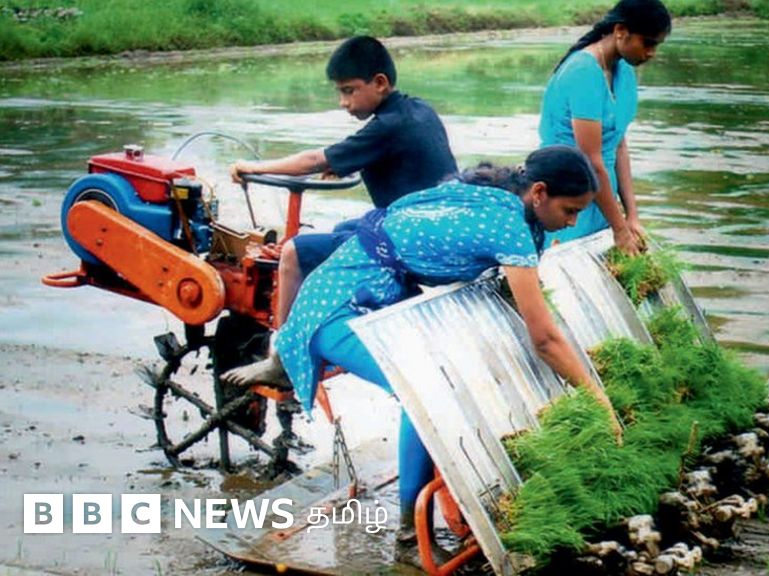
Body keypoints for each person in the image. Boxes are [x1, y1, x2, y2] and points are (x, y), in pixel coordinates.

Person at [223, 145, 622, 566]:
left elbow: (531, 311)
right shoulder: (508, 226)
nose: (573, 222)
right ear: (539, 192)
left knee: (434, 385)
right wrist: (598, 397)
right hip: (336, 305)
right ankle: (410, 533)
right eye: (571, 210)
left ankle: (283, 361)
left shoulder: (507, 203)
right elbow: (543, 339)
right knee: (423, 397)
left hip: (378, 294)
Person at [230, 35, 457, 327]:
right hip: (432, 227)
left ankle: (281, 347)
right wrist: (342, 166)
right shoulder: (419, 110)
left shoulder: (386, 127)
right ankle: (328, 311)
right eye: (340, 92)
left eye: (349, 91)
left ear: (380, 83)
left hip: (409, 237)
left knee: (293, 251)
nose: (343, 102)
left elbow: (313, 161)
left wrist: (252, 167)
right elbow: (390, 158)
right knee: (342, 228)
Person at [539, 0, 672, 255]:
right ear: (620, 31)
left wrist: (631, 216)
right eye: (648, 43)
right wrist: (619, 229)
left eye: (657, 45)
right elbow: (590, 160)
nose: (652, 52)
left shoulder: (623, 71)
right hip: (568, 198)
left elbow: (619, 144)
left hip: (602, 197)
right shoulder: (583, 72)